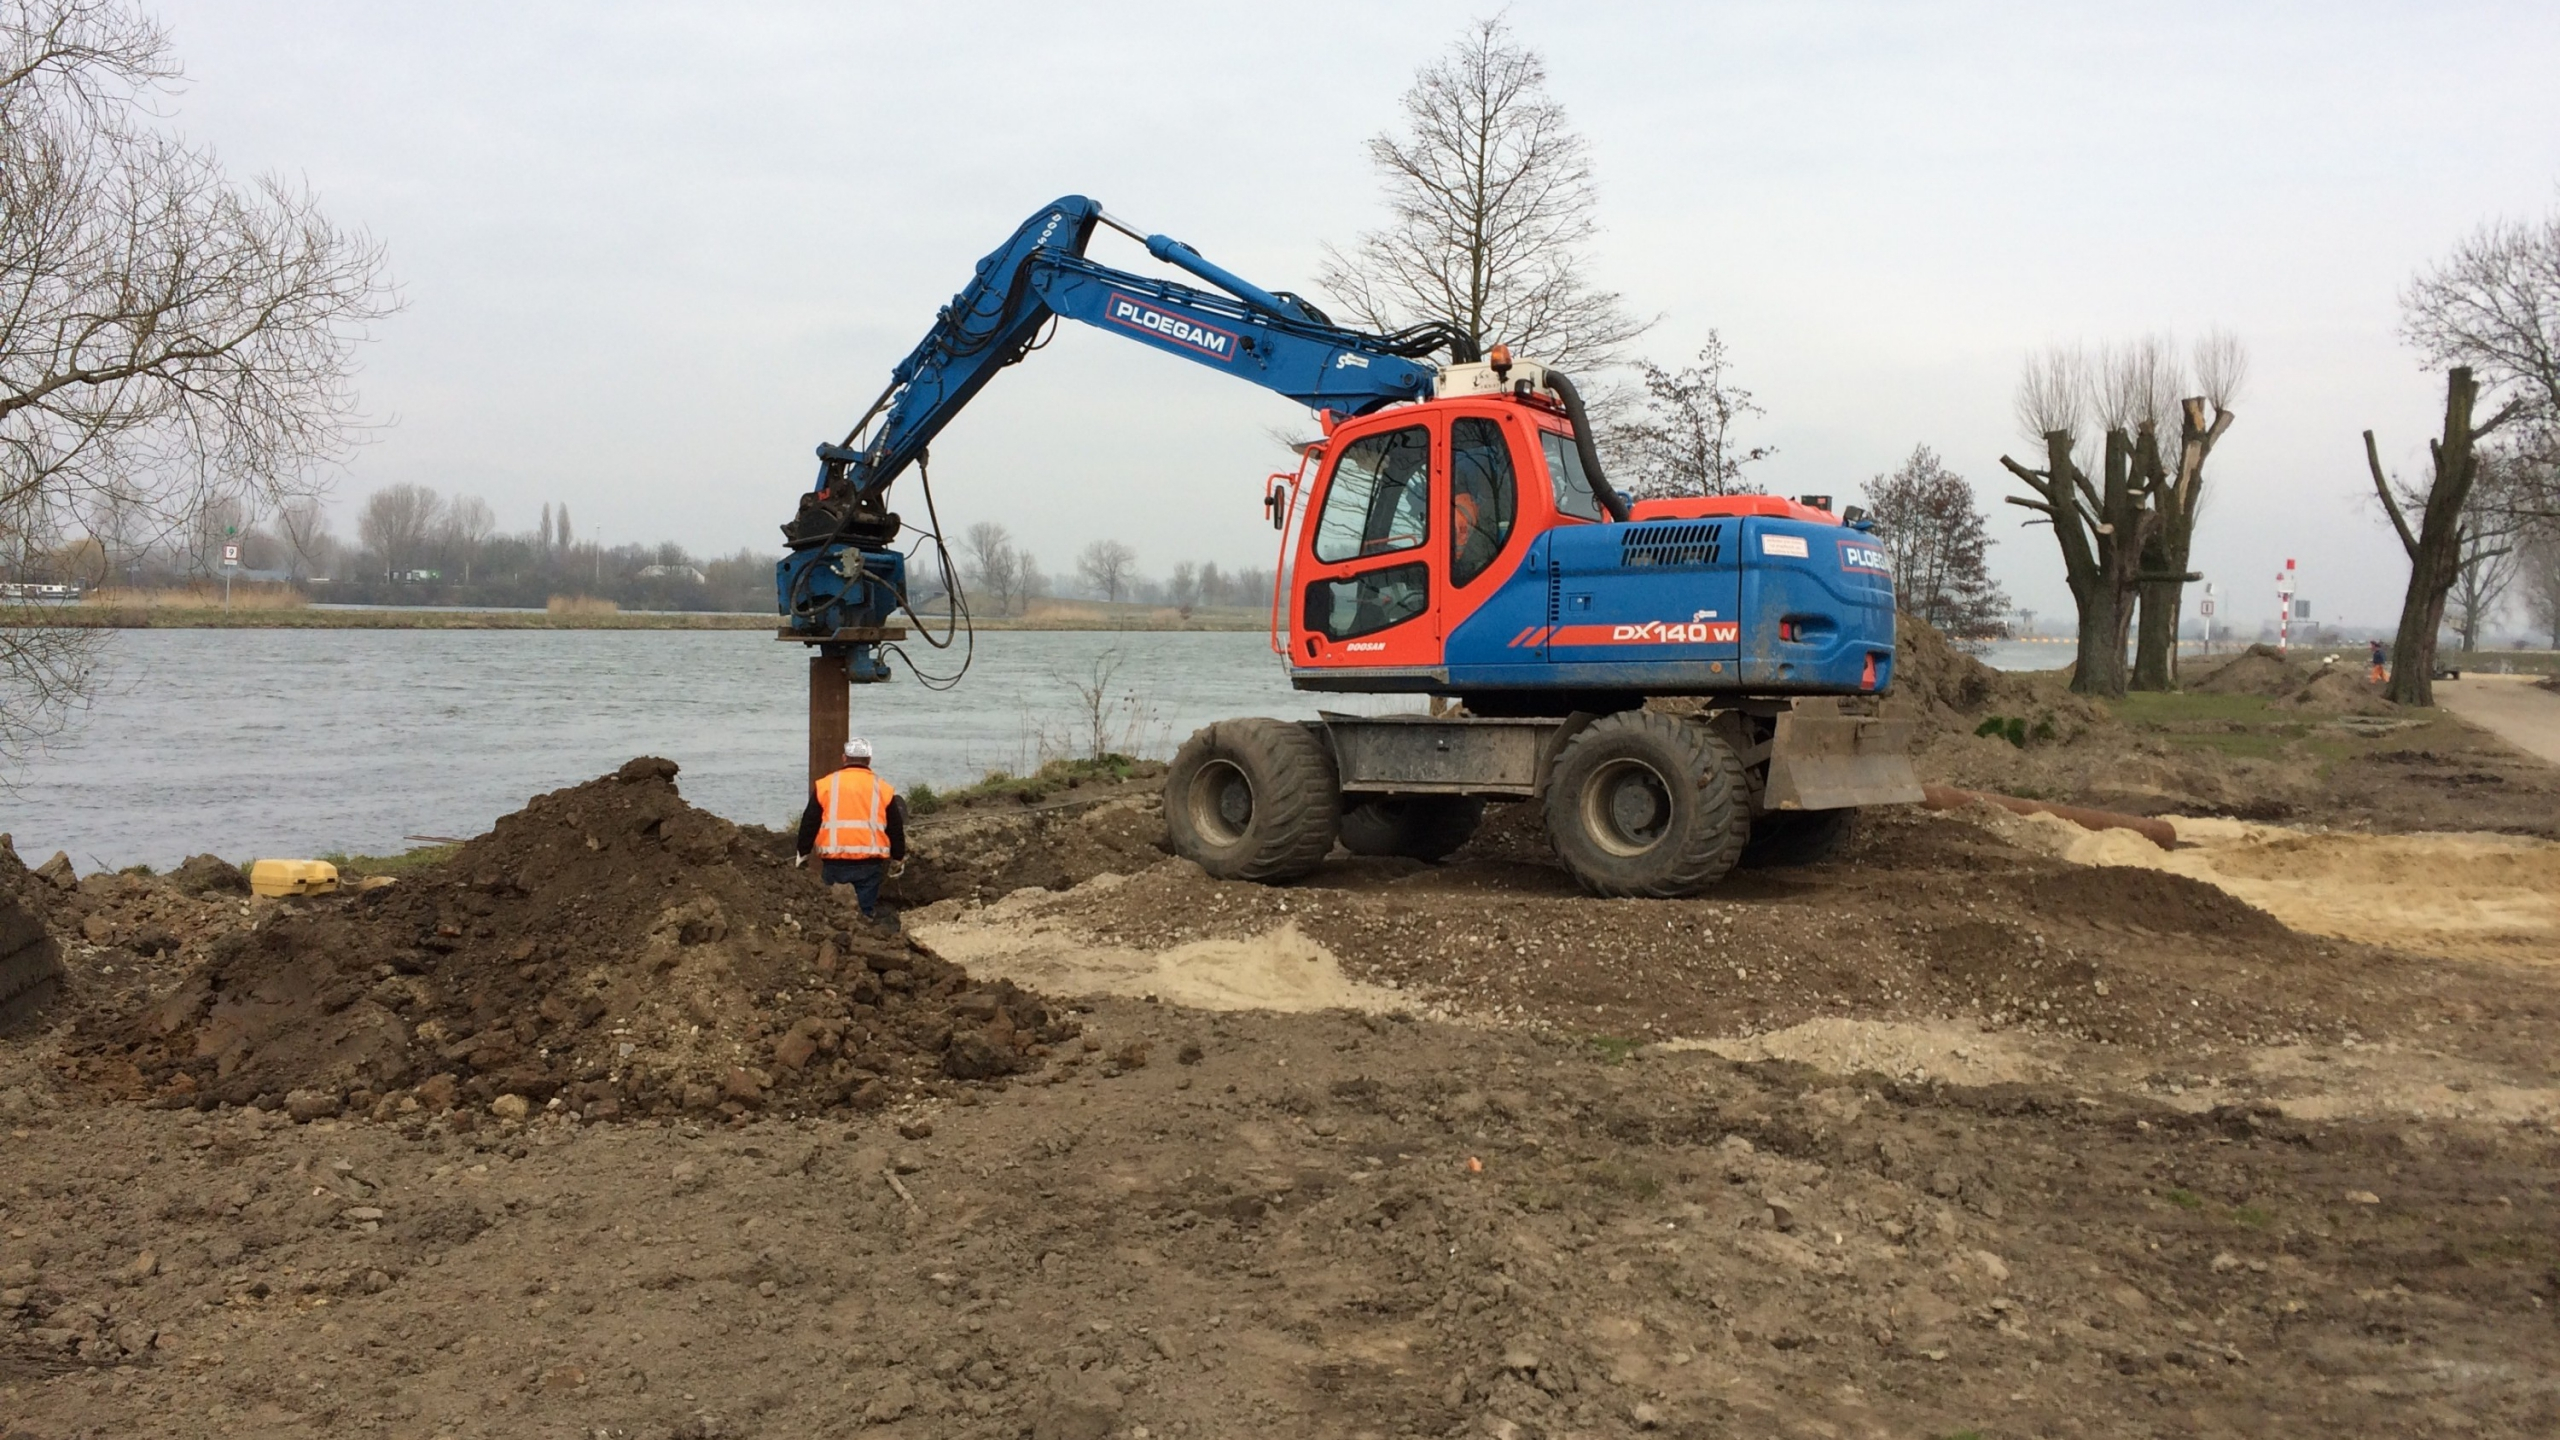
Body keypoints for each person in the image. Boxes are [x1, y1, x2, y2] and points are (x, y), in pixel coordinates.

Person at [795, 737, 907, 920]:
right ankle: (865, 928)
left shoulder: (825, 785)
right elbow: (895, 826)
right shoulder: (883, 788)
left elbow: (809, 822)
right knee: (864, 913)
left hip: (835, 861)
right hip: (869, 863)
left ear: (844, 758)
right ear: (869, 760)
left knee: (834, 912)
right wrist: (898, 856)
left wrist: (803, 853)